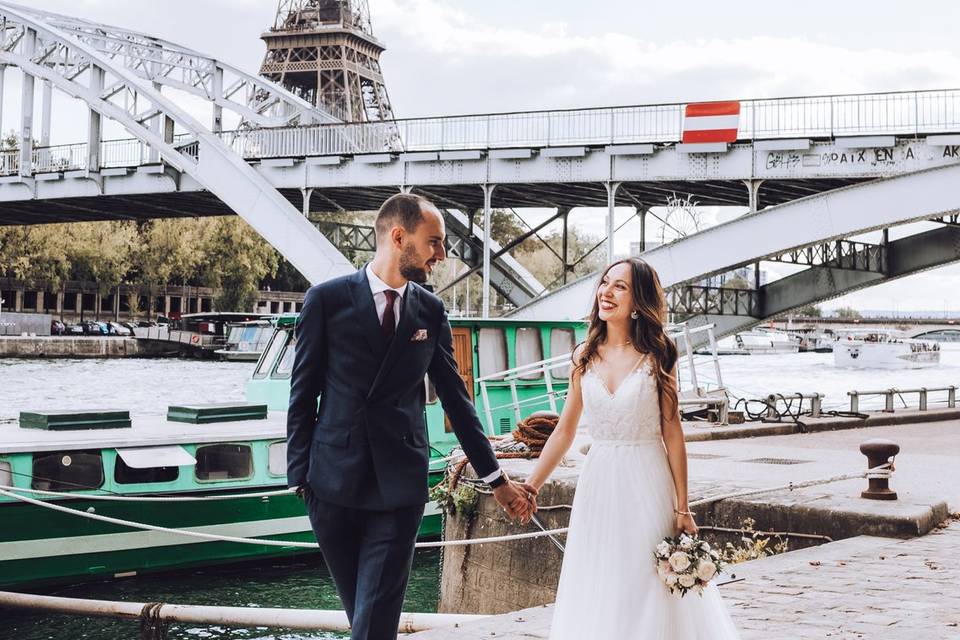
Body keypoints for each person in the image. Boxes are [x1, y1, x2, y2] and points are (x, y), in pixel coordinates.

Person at [287, 193, 536, 640]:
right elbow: (301, 396)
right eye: (434, 242)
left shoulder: (431, 310)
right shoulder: (325, 301)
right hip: (330, 486)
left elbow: (457, 402)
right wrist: (300, 478)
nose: (443, 254)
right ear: (399, 237)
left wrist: (495, 480)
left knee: (375, 619)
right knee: (364, 618)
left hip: (398, 489)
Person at [527, 257, 741, 639]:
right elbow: (564, 431)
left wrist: (683, 507)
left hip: (647, 478)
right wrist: (531, 486)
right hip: (599, 483)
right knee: (600, 578)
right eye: (604, 284)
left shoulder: (660, 354)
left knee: (644, 583)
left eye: (619, 286)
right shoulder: (584, 356)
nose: (606, 292)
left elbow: (672, 431)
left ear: (638, 299)